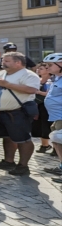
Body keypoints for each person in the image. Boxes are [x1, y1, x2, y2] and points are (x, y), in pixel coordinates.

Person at [0, 52, 40, 175]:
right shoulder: (0, 73)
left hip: (18, 112)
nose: (3, 63)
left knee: (23, 139)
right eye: (3, 60)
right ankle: (8, 161)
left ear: (18, 63)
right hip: (1, 113)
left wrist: (8, 85)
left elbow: (32, 90)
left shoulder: (29, 75)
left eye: (6, 61)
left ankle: (23, 166)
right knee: (8, 137)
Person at [42, 53, 62, 182]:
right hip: (56, 116)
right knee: (56, 141)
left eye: (50, 65)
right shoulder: (56, 78)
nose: (47, 67)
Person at [33, 63, 53, 153]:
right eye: (38, 68)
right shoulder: (38, 80)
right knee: (40, 126)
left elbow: (50, 94)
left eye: (41, 68)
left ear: (48, 70)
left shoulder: (52, 81)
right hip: (38, 106)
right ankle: (45, 145)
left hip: (48, 106)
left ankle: (56, 148)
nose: (38, 70)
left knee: (49, 126)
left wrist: (38, 92)